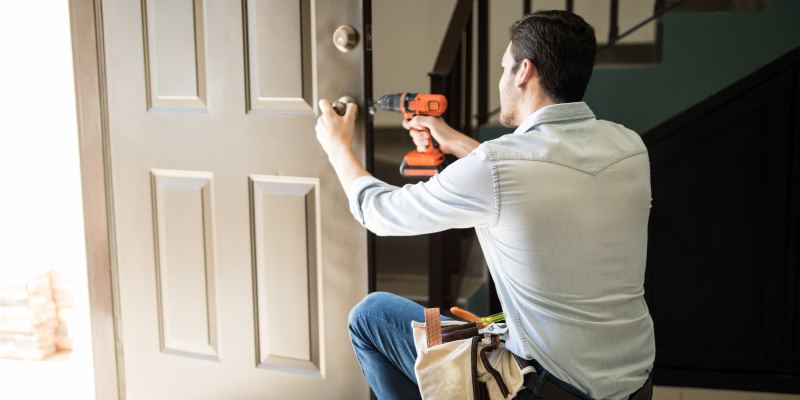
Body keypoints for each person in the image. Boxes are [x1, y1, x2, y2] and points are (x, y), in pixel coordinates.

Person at [315, 10, 655, 400]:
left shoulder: (496, 165)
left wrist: (338, 147)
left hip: (549, 390)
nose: (501, 80)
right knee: (463, 329)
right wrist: (453, 141)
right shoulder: (630, 147)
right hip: (635, 386)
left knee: (371, 315)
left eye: (503, 68)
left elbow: (378, 213)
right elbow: (537, 177)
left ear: (524, 72)